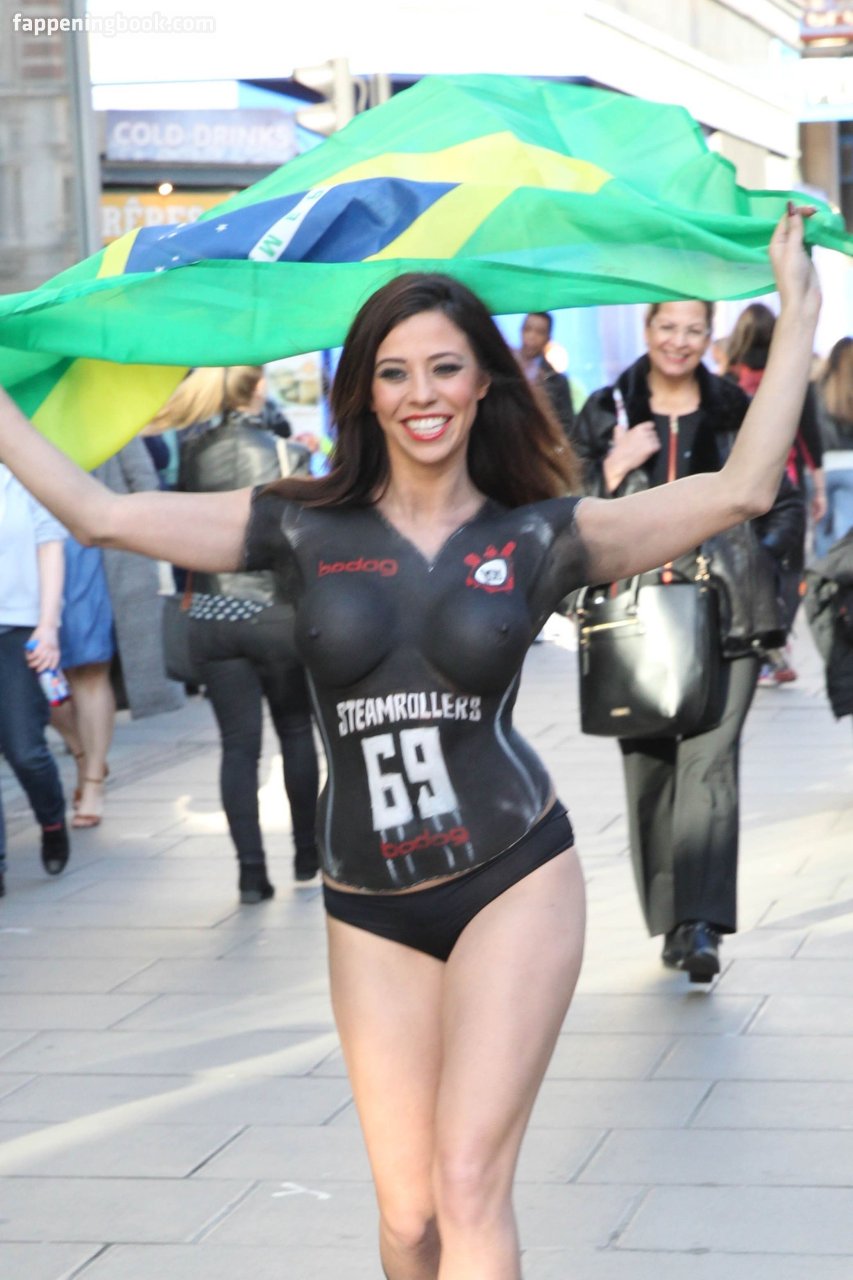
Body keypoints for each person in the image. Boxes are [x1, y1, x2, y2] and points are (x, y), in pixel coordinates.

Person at [0, 208, 819, 1276]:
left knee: (469, 1182)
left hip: (511, 877)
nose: (419, 393)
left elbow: (741, 489)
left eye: (443, 368)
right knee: (408, 1219)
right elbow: (95, 513)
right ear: (365, 392)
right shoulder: (297, 522)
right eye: (393, 373)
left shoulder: (542, 533)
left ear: (482, 383)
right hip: (369, 904)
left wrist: (796, 313)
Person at [571, 293, 806, 983]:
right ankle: (669, 918)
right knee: (650, 772)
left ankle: (698, 924)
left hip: (726, 615)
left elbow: (784, 499)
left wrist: (759, 560)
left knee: (709, 765)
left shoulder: (736, 411)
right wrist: (611, 471)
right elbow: (559, 506)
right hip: (632, 617)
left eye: (694, 329)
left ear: (710, 335)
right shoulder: (607, 411)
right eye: (667, 326)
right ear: (647, 329)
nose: (679, 340)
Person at [147, 365, 320, 901]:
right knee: (296, 732)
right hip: (276, 615)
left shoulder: (192, 454)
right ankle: (307, 855)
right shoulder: (288, 454)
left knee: (238, 748)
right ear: (259, 386)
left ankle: (250, 874)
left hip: (213, 616)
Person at [726, 301, 826, 685]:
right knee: (789, 567)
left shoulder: (727, 380)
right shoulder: (790, 376)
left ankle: (759, 646)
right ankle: (776, 643)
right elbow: (809, 435)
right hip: (786, 488)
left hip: (739, 487)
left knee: (750, 562)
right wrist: (817, 488)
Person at [0, 465, 70, 896]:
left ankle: (52, 821)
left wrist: (48, 626)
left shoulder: (23, 471)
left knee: (25, 751)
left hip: (20, 627)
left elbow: (50, 545)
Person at [814, 336, 853, 557]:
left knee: (823, 536)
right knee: (847, 536)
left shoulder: (818, 387)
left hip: (823, 467)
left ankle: (823, 574)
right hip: (851, 465)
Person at [516, 311, 575, 436]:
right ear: (521, 331)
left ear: (548, 338)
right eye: (527, 329)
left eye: (540, 332)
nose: (532, 336)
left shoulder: (557, 381)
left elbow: (567, 425)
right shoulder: (505, 371)